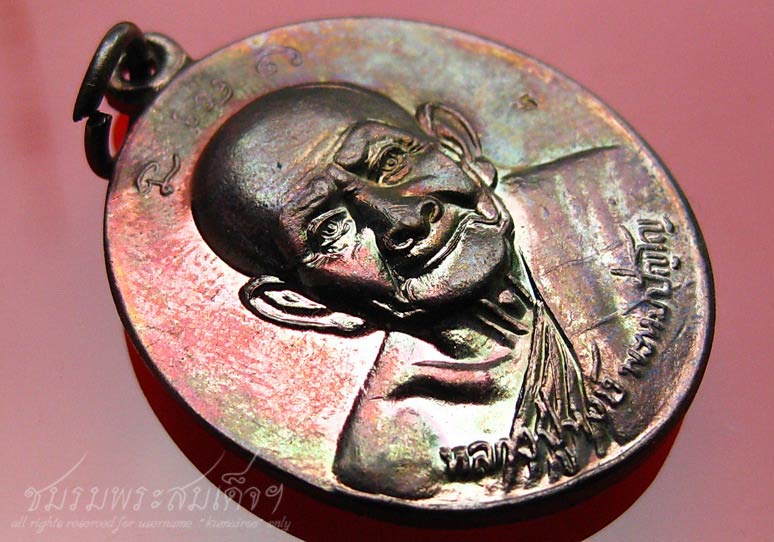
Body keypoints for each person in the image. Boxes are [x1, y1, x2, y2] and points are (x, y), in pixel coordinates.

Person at [192, 83, 608, 499]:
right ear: (299, 304)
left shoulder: (607, 196)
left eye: (391, 162)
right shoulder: (390, 452)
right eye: (329, 229)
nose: (403, 220)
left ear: (455, 147)